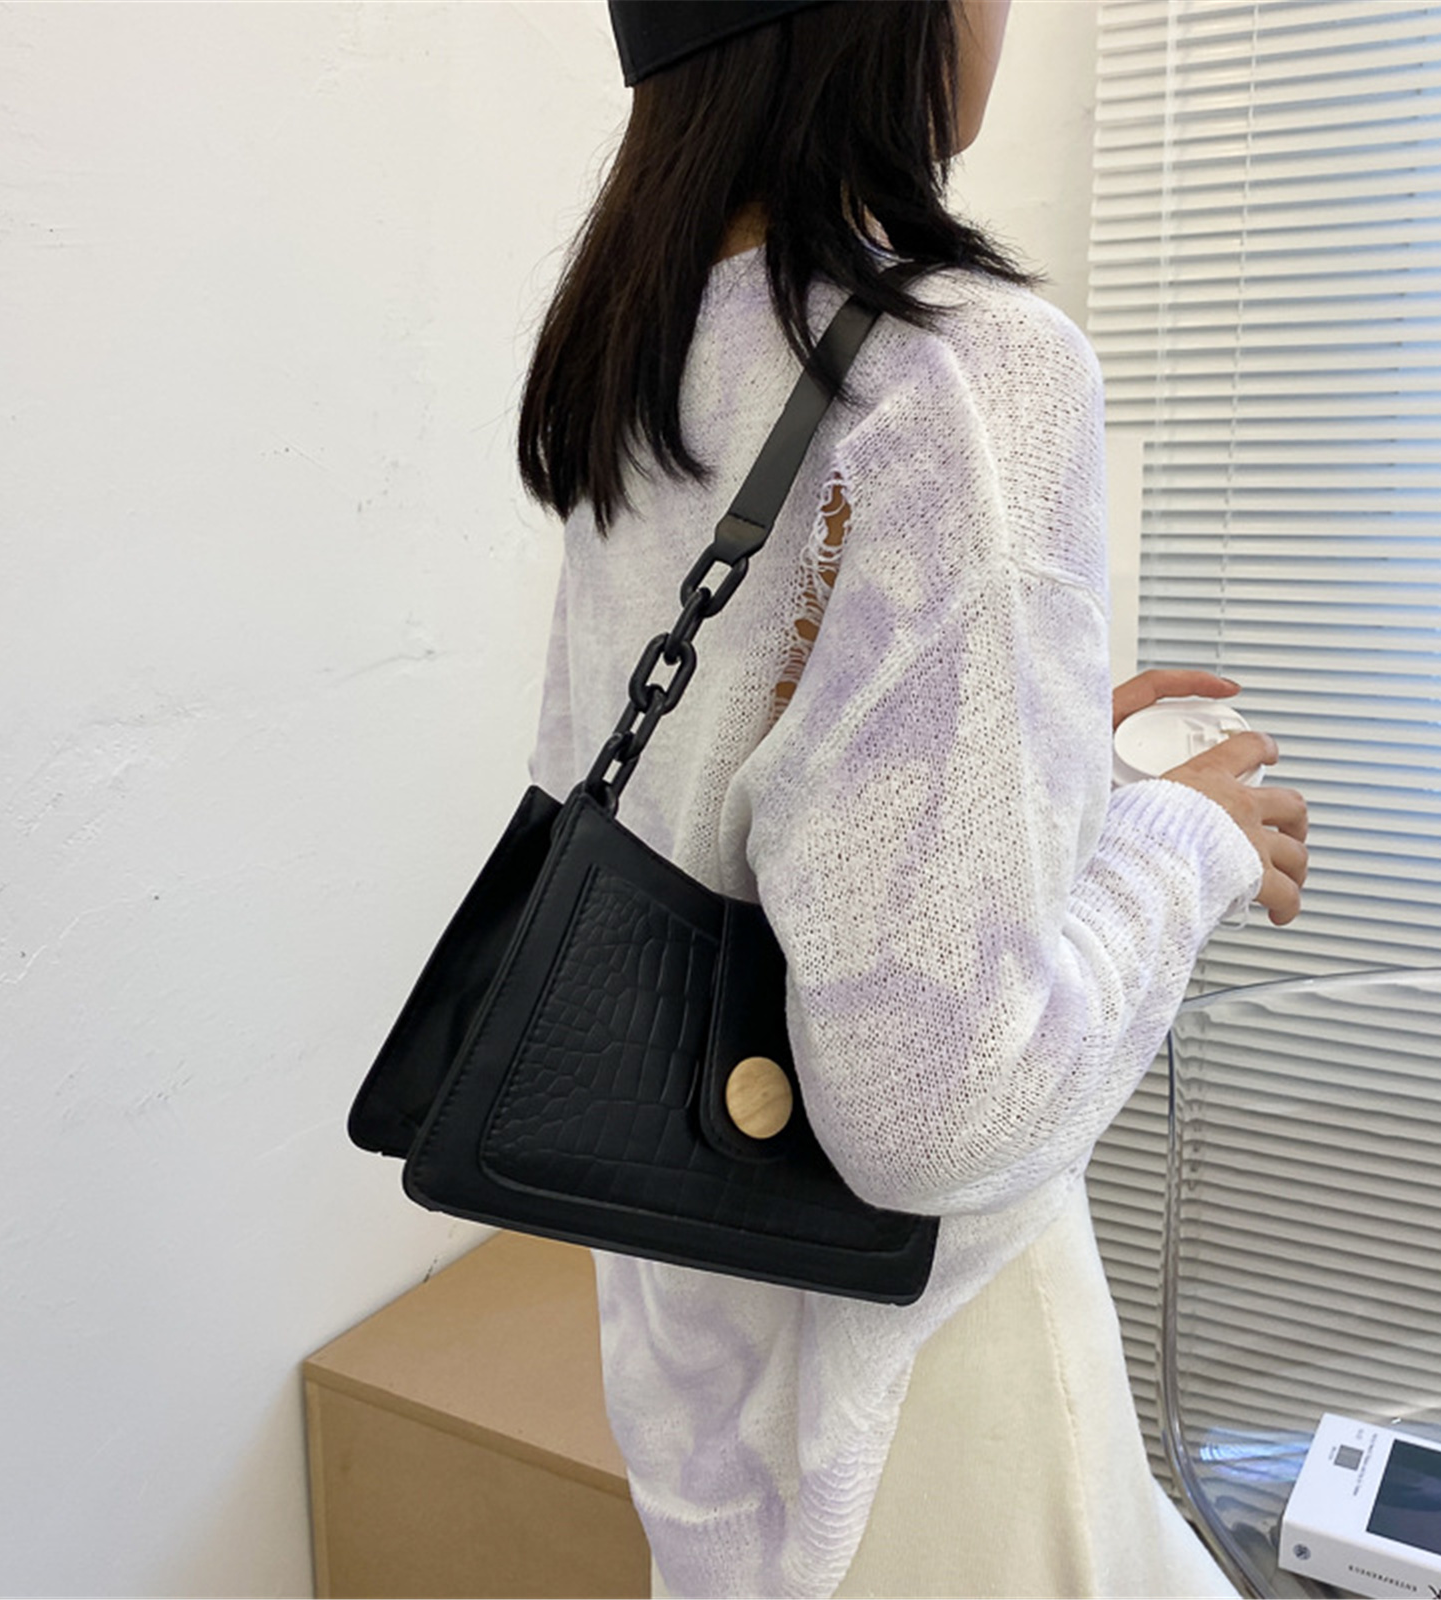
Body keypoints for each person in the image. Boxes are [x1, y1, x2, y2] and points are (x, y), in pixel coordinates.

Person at [516, 2, 1309, 1594]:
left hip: (695, 1343)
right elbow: (934, 1120)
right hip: (916, 1407)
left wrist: (1034, 767)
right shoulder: (963, 375)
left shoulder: (646, 341)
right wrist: (1184, 841)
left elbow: (730, 782)